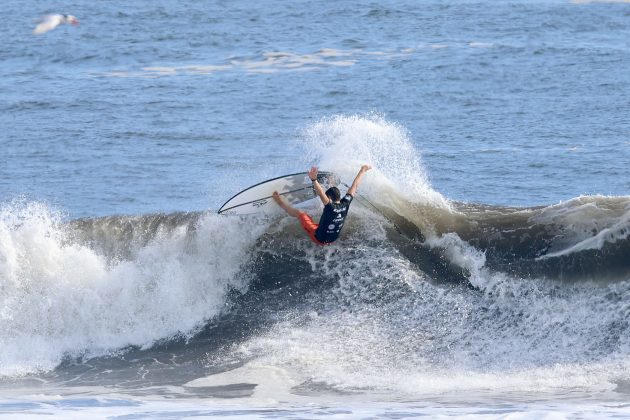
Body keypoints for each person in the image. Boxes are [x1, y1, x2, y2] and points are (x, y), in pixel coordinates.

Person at [272, 165, 372, 245]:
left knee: (301, 214)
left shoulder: (330, 207)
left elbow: (320, 193)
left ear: (329, 199)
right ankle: (331, 181)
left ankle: (279, 202)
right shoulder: (346, 203)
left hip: (318, 239)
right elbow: (354, 186)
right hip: (332, 240)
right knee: (322, 224)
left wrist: (314, 180)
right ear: (339, 197)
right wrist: (363, 170)